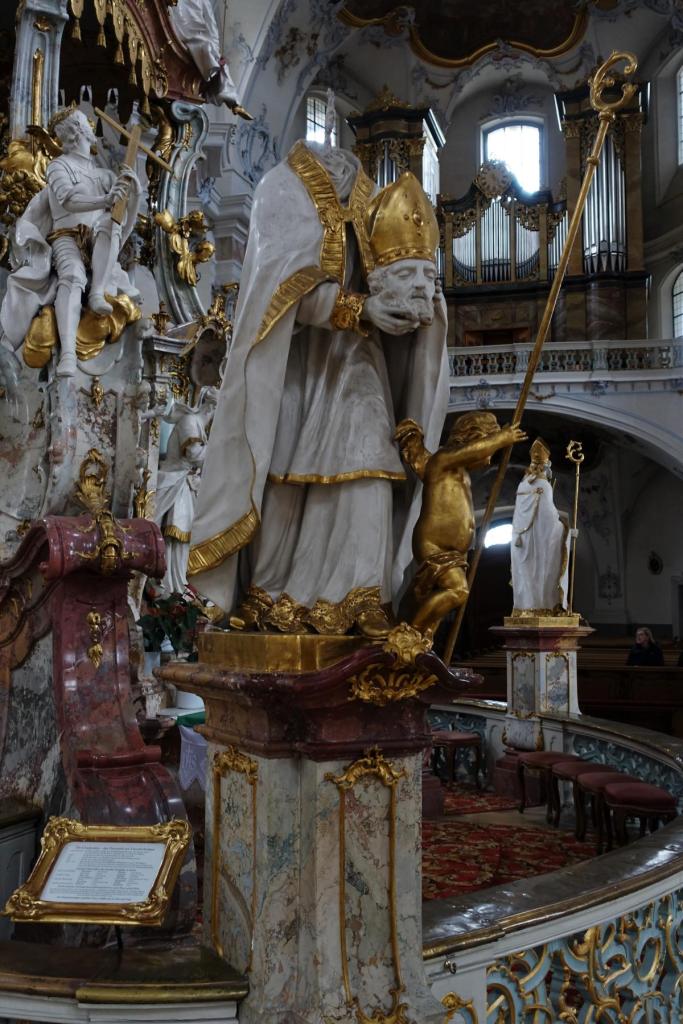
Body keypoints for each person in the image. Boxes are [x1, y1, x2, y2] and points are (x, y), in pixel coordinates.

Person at [187, 139, 449, 636]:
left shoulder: (374, 196)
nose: (344, 167)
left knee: (370, 464)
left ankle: (362, 597)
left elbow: (401, 277)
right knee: (284, 480)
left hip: (361, 365)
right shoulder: (281, 189)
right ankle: (272, 596)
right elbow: (275, 293)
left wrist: (422, 301)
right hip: (295, 369)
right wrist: (356, 308)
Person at [0, 106, 141, 377]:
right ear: (77, 132)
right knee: (73, 275)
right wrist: (105, 200)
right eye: (86, 124)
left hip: (99, 241)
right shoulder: (58, 166)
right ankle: (67, 355)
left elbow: (123, 225)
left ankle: (98, 291)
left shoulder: (105, 176)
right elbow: (68, 200)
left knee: (108, 224)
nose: (92, 127)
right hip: (66, 237)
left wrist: (134, 196)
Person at [395, 412, 527, 636]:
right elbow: (472, 452)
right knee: (458, 591)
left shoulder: (461, 473)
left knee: (434, 603)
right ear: (474, 437)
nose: (488, 458)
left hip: (455, 551)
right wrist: (502, 439)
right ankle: (408, 635)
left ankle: (422, 639)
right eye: (487, 449)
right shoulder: (443, 460)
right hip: (434, 545)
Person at [153, 388, 219, 596]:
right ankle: (168, 584)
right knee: (174, 533)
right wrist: (220, 446)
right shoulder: (190, 422)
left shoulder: (199, 425)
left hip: (185, 484)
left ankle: (178, 583)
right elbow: (193, 454)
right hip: (175, 483)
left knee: (183, 536)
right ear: (212, 407)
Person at [510, 437, 571, 614]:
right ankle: (544, 608)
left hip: (521, 543)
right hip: (540, 543)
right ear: (546, 466)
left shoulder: (522, 486)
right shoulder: (544, 485)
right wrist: (565, 528)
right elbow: (549, 519)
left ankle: (523, 608)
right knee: (543, 574)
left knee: (525, 576)